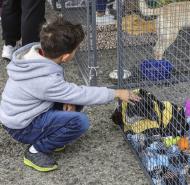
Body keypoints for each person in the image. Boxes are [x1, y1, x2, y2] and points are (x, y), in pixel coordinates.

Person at [0, 17, 140, 172]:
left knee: (76, 99)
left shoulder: (35, 55)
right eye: (76, 50)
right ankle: (36, 150)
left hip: (24, 113)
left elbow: (64, 88)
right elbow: (77, 92)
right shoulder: (45, 81)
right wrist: (116, 93)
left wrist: (69, 99)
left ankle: (52, 134)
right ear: (66, 57)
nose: (76, 52)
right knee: (80, 121)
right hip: (22, 127)